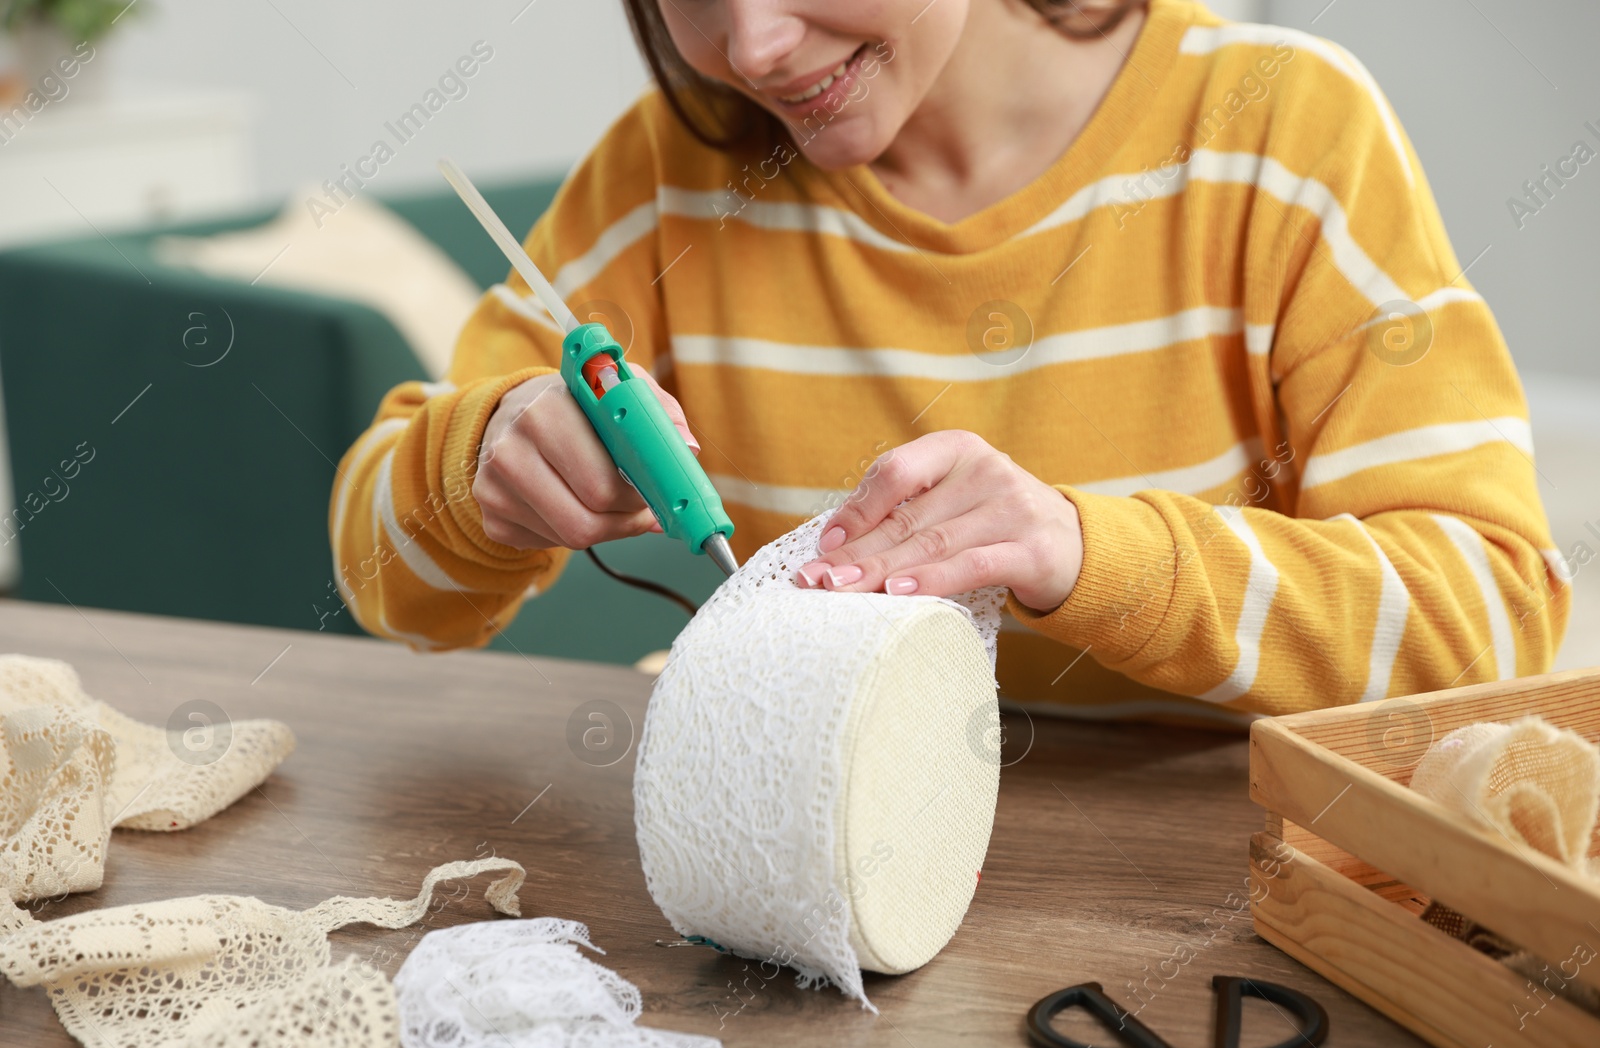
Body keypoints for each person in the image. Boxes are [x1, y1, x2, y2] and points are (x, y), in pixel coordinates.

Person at [330, 0, 1568, 724]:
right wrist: (482, 467)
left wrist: (1088, 554)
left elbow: (1492, 618)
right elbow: (386, 585)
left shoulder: (1281, 132)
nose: (752, 46)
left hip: (1211, 891)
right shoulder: (665, 182)